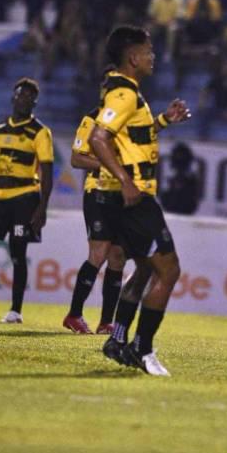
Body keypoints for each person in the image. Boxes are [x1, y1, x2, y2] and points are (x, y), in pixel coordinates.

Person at [90, 26, 192, 376]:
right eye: (148, 51)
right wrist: (125, 181)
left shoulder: (129, 93)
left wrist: (163, 120)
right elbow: (98, 138)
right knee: (169, 270)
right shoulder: (124, 94)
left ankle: (118, 339)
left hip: (124, 198)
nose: (153, 56)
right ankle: (142, 349)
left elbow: (129, 138)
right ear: (133, 58)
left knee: (147, 268)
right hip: (133, 198)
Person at [0, 78, 53, 325]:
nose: (23, 99)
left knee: (18, 251)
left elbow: (47, 174)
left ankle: (15, 310)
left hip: (24, 199)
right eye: (20, 95)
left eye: (29, 97)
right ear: (13, 98)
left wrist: (42, 208)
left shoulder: (40, 132)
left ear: (34, 102)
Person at [62, 99, 127, 335]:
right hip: (97, 191)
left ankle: (106, 322)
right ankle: (74, 315)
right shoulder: (92, 118)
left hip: (121, 194)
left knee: (118, 256)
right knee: (98, 253)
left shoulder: (128, 118)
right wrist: (109, 164)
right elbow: (77, 158)